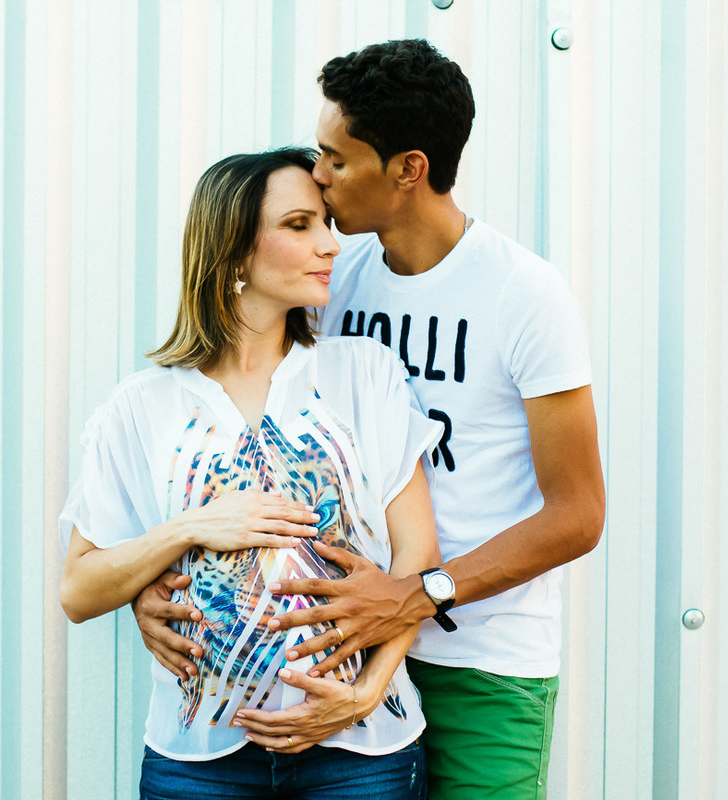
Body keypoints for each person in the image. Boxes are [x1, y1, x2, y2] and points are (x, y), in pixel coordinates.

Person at [133, 41, 606, 800]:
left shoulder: (526, 296)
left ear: (408, 169)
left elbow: (579, 514)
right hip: (337, 650)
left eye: (336, 160)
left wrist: (420, 594)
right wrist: (150, 592)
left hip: (482, 661)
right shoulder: (332, 279)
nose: (318, 176)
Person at [58, 146, 443, 800]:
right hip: (199, 762)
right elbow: (79, 590)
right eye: (299, 226)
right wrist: (188, 529)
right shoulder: (142, 407)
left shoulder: (362, 374)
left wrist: (364, 691)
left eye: (325, 222)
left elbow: (419, 553)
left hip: (362, 753)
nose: (329, 244)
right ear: (235, 252)